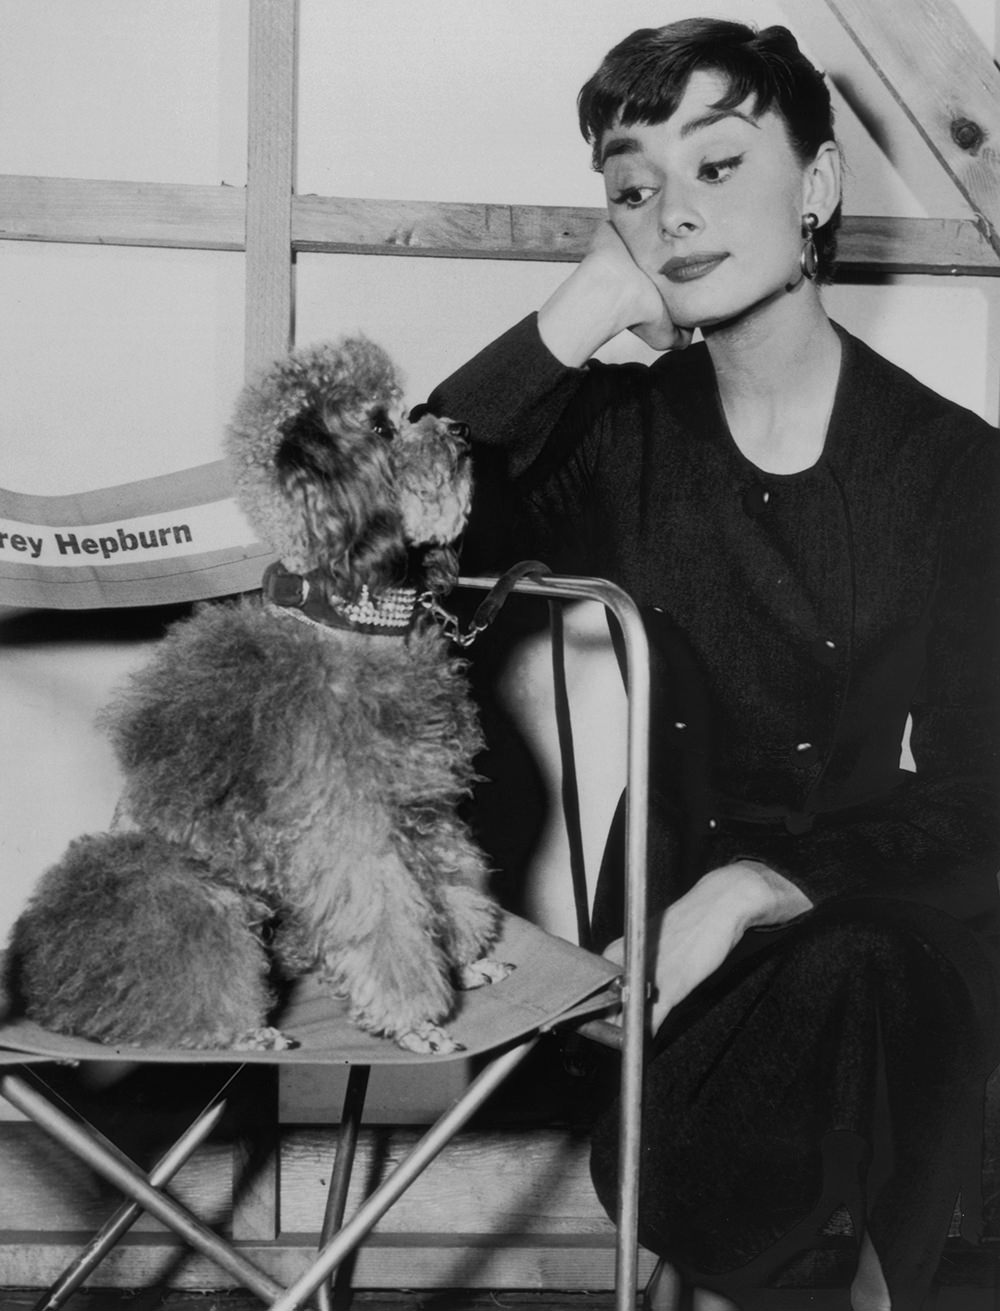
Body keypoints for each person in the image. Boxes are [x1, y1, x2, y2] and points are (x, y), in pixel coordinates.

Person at [424, 18, 1000, 1311]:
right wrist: (580, 312)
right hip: (670, 970)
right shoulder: (619, 442)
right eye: (635, 186)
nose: (674, 213)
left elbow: (988, 802)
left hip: (889, 930)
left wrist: (759, 885)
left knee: (875, 979)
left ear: (820, 186)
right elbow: (381, 533)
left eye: (722, 165)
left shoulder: (957, 471)